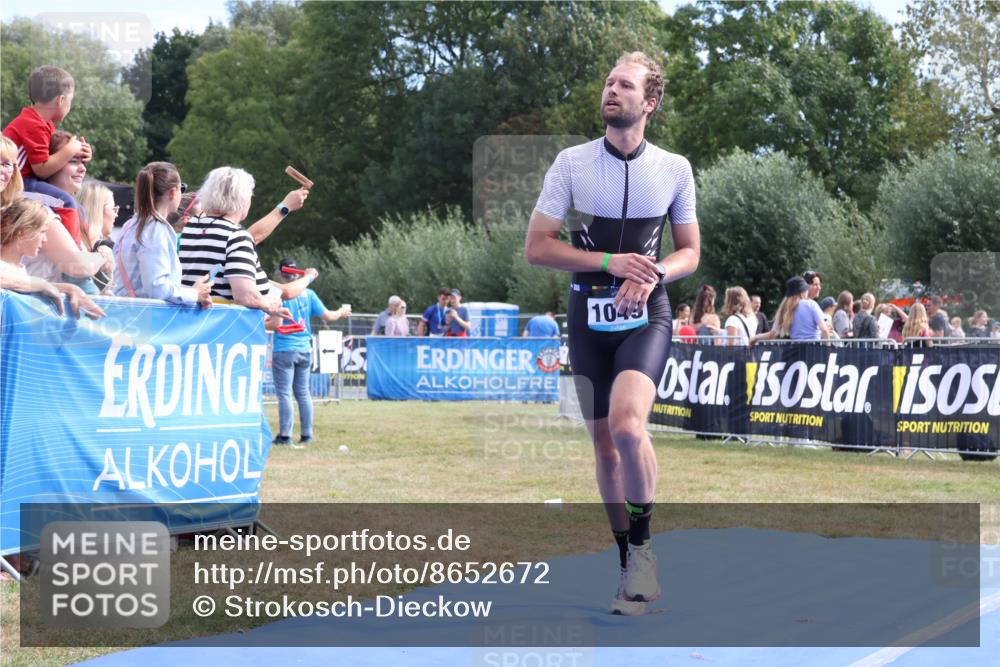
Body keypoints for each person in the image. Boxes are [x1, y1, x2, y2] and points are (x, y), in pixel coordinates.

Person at [524, 52, 700, 614]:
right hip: (588, 317)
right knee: (603, 444)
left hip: (647, 314)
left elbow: (690, 252)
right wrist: (608, 263)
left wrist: (651, 273)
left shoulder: (674, 168)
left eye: (625, 85)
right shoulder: (572, 163)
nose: (611, 91)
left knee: (628, 426)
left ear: (649, 102)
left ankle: (645, 550)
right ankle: (626, 560)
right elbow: (538, 248)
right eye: (608, 83)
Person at [178, 166, 295, 318]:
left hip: (191, 319)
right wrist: (270, 306)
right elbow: (245, 295)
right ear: (243, 200)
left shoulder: (190, 228)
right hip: (225, 327)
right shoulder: (235, 235)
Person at [268, 258, 351, 446]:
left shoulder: (277, 293)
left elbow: (276, 324)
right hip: (305, 348)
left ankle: (285, 435)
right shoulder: (309, 294)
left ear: (280, 274)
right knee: (303, 393)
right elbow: (329, 316)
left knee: (284, 394)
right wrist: (341, 312)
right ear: (297, 274)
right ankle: (307, 435)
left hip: (284, 348)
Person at [113, 162, 212, 307]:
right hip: (145, 321)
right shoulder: (155, 229)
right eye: (181, 189)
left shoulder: (132, 224)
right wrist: (194, 294)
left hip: (127, 314)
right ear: (172, 192)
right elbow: (156, 287)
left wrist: (193, 295)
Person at [22, 131, 105, 293]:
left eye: (83, 162)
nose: (82, 169)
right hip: (38, 310)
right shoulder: (37, 211)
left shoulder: (72, 211)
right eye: (73, 161)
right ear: (50, 166)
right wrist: (104, 256)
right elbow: (78, 266)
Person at [0, 197, 105, 319]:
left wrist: (70, 288)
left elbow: (21, 283)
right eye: (42, 232)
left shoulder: (17, 271)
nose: (45, 240)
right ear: (22, 232)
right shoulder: (5, 269)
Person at [2, 66, 91, 208]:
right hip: (16, 182)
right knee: (66, 202)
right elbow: (42, 170)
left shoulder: (40, 122)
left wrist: (80, 152)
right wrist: (70, 150)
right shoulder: (33, 125)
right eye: (70, 101)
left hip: (23, 180)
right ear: (61, 100)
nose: (70, 106)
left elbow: (50, 154)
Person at [751, 276, 831, 343]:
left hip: (794, 350)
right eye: (806, 289)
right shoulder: (812, 304)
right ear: (802, 291)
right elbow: (824, 330)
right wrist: (828, 348)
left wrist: (755, 338)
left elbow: (772, 335)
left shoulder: (785, 308)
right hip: (813, 350)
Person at [76, 182, 117, 293]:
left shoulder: (71, 241)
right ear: (98, 210)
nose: (116, 214)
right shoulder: (106, 250)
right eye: (114, 209)